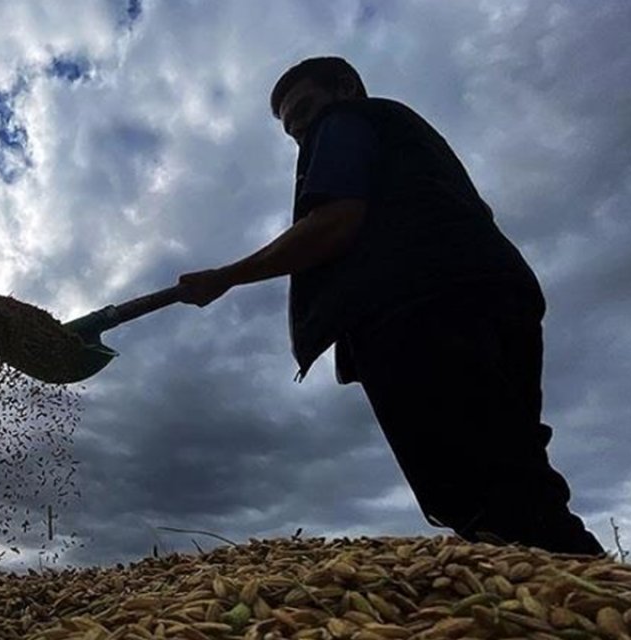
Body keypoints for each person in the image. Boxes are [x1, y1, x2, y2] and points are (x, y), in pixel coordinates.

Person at [176, 56, 605, 556]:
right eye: (293, 131)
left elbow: (338, 219)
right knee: (512, 462)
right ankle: (587, 592)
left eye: (307, 112)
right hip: (494, 291)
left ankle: (575, 602)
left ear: (345, 88)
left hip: (421, 308)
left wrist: (225, 278)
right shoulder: (410, 141)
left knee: (476, 488)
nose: (304, 133)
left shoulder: (347, 120)